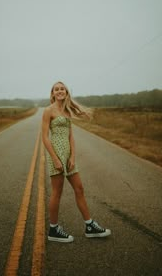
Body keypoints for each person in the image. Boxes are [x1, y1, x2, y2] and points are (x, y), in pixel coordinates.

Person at [42, 81, 111, 243]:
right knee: (57, 193)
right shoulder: (48, 111)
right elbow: (45, 137)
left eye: (62, 88)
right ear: (52, 93)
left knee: (79, 188)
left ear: (66, 92)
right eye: (56, 89)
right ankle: (53, 229)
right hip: (56, 155)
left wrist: (72, 157)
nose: (60, 91)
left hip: (68, 155)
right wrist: (54, 158)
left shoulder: (66, 110)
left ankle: (89, 226)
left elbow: (71, 136)